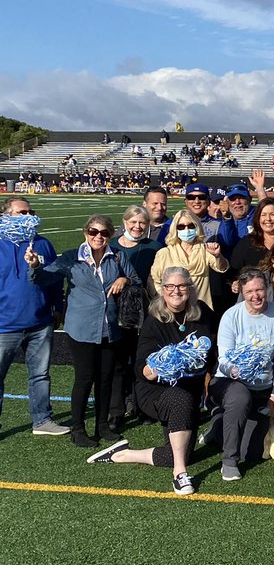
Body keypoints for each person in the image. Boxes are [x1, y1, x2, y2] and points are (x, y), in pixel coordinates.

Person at [85, 267, 216, 495]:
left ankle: (123, 454)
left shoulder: (202, 312)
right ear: (162, 290)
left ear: (190, 288)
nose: (176, 291)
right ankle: (180, 475)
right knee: (180, 401)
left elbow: (213, 348)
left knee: (180, 452)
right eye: (170, 287)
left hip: (189, 394)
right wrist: (160, 366)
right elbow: (142, 371)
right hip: (154, 392)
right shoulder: (154, 321)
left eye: (182, 286)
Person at [27, 215, 141, 447]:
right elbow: (45, 278)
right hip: (81, 328)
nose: (98, 236)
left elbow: (136, 279)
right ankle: (78, 429)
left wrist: (124, 280)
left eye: (104, 233)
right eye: (93, 231)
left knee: (106, 379)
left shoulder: (118, 256)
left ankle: (102, 425)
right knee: (84, 378)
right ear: (85, 233)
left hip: (111, 327)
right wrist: (35, 266)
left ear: (111, 235)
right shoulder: (71, 257)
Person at [211, 268, 274, 480]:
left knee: (252, 452)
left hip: (263, 387)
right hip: (230, 382)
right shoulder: (231, 316)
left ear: (267, 288)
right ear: (242, 293)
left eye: (260, 290)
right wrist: (237, 371)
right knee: (240, 397)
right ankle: (229, 461)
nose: (256, 296)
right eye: (249, 292)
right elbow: (224, 359)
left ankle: (219, 427)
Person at [0, 197, 69, 437]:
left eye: (30, 212)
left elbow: (55, 279)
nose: (28, 216)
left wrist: (58, 307)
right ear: (6, 215)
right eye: (21, 212)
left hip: (40, 322)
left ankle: (42, 420)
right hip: (4, 325)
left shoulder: (43, 244)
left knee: (40, 375)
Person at [108, 204, 164, 431]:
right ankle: (116, 411)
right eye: (133, 222)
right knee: (119, 361)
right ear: (124, 223)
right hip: (116, 311)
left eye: (142, 223)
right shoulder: (111, 245)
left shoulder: (155, 247)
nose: (138, 226)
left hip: (146, 309)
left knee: (142, 359)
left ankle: (143, 406)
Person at [217, 154, 274, 245]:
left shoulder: (261, 216)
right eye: (233, 199)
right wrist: (226, 218)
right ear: (227, 202)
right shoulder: (221, 220)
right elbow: (226, 243)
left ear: (249, 199)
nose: (237, 202)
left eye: (242, 198)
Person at [150, 211, 229, 309]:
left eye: (191, 226)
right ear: (175, 229)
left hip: (200, 308)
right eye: (181, 227)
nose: (186, 229)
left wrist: (218, 256)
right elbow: (155, 280)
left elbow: (222, 268)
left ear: (197, 227)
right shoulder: (164, 253)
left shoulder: (205, 250)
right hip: (173, 308)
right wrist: (167, 298)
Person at [228, 197, 274, 276]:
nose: (268, 219)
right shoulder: (247, 243)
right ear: (258, 218)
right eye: (263, 215)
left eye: (272, 214)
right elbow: (234, 273)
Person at [181, 182, 225, 247]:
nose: (196, 201)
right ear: (185, 201)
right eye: (191, 197)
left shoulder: (218, 225)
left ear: (208, 201)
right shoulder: (174, 222)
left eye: (202, 197)